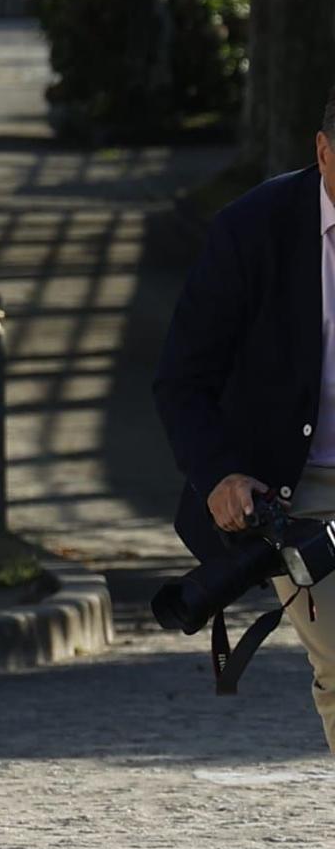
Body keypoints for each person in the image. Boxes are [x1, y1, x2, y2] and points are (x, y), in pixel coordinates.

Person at [155, 84, 335, 751]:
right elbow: (183, 379)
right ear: (323, 152)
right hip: (299, 492)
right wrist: (221, 475)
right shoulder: (251, 230)